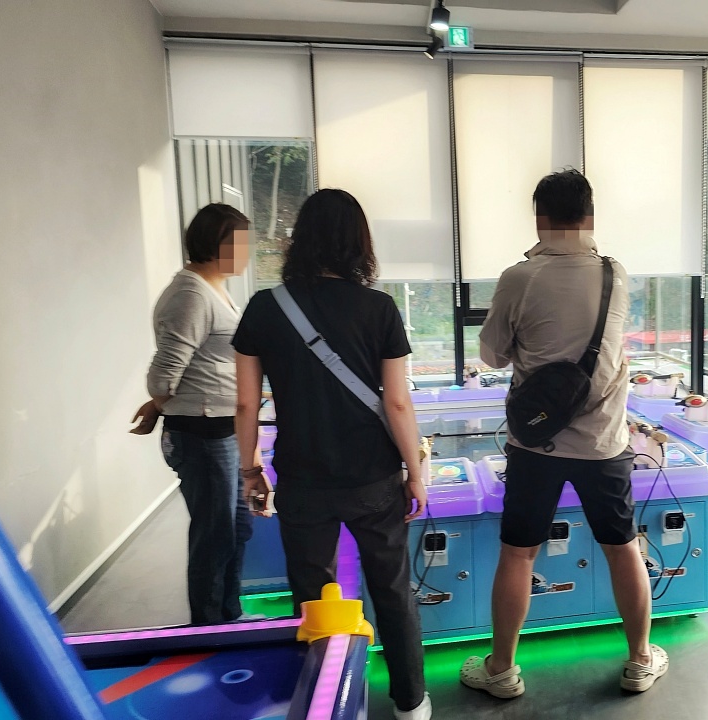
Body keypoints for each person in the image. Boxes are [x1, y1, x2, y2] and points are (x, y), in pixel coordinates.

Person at [459, 169, 668, 698]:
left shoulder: (519, 277)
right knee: (622, 547)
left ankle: (502, 670)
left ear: (540, 219)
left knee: (519, 553)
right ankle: (640, 660)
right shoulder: (616, 274)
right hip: (604, 443)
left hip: (536, 443)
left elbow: (492, 355)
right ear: (589, 216)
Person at [231, 189, 431, 720]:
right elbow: (397, 402)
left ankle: (321, 701)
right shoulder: (379, 308)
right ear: (359, 243)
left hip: (302, 479)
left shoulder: (265, 307)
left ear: (300, 240)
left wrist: (250, 470)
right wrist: (414, 472)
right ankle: (411, 703)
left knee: (315, 596)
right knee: (392, 589)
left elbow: (246, 402)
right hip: (374, 479)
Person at [130, 203, 254, 626]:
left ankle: (229, 615)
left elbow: (209, 363)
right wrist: (158, 402)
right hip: (203, 435)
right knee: (215, 536)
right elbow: (163, 375)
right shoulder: (192, 294)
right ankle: (208, 626)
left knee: (237, 529)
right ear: (216, 244)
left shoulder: (213, 289)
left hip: (223, 430)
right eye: (240, 243)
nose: (247, 252)